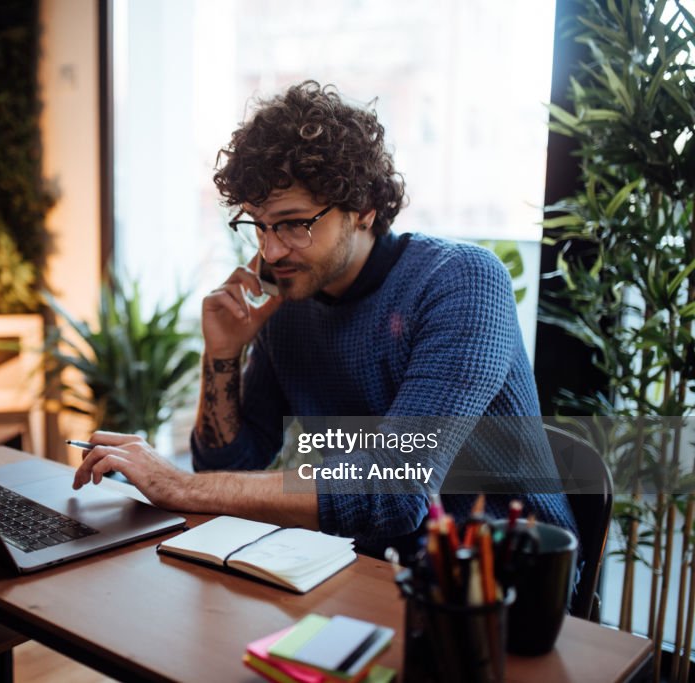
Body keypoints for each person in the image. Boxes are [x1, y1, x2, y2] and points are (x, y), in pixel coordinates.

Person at [72, 80, 576, 557]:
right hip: (363, 568)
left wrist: (177, 483)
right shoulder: (287, 302)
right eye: (259, 226)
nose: (270, 250)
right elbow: (231, 465)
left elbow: (394, 489)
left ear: (364, 207)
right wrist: (223, 353)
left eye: (293, 224)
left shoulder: (460, 281)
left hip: (510, 576)